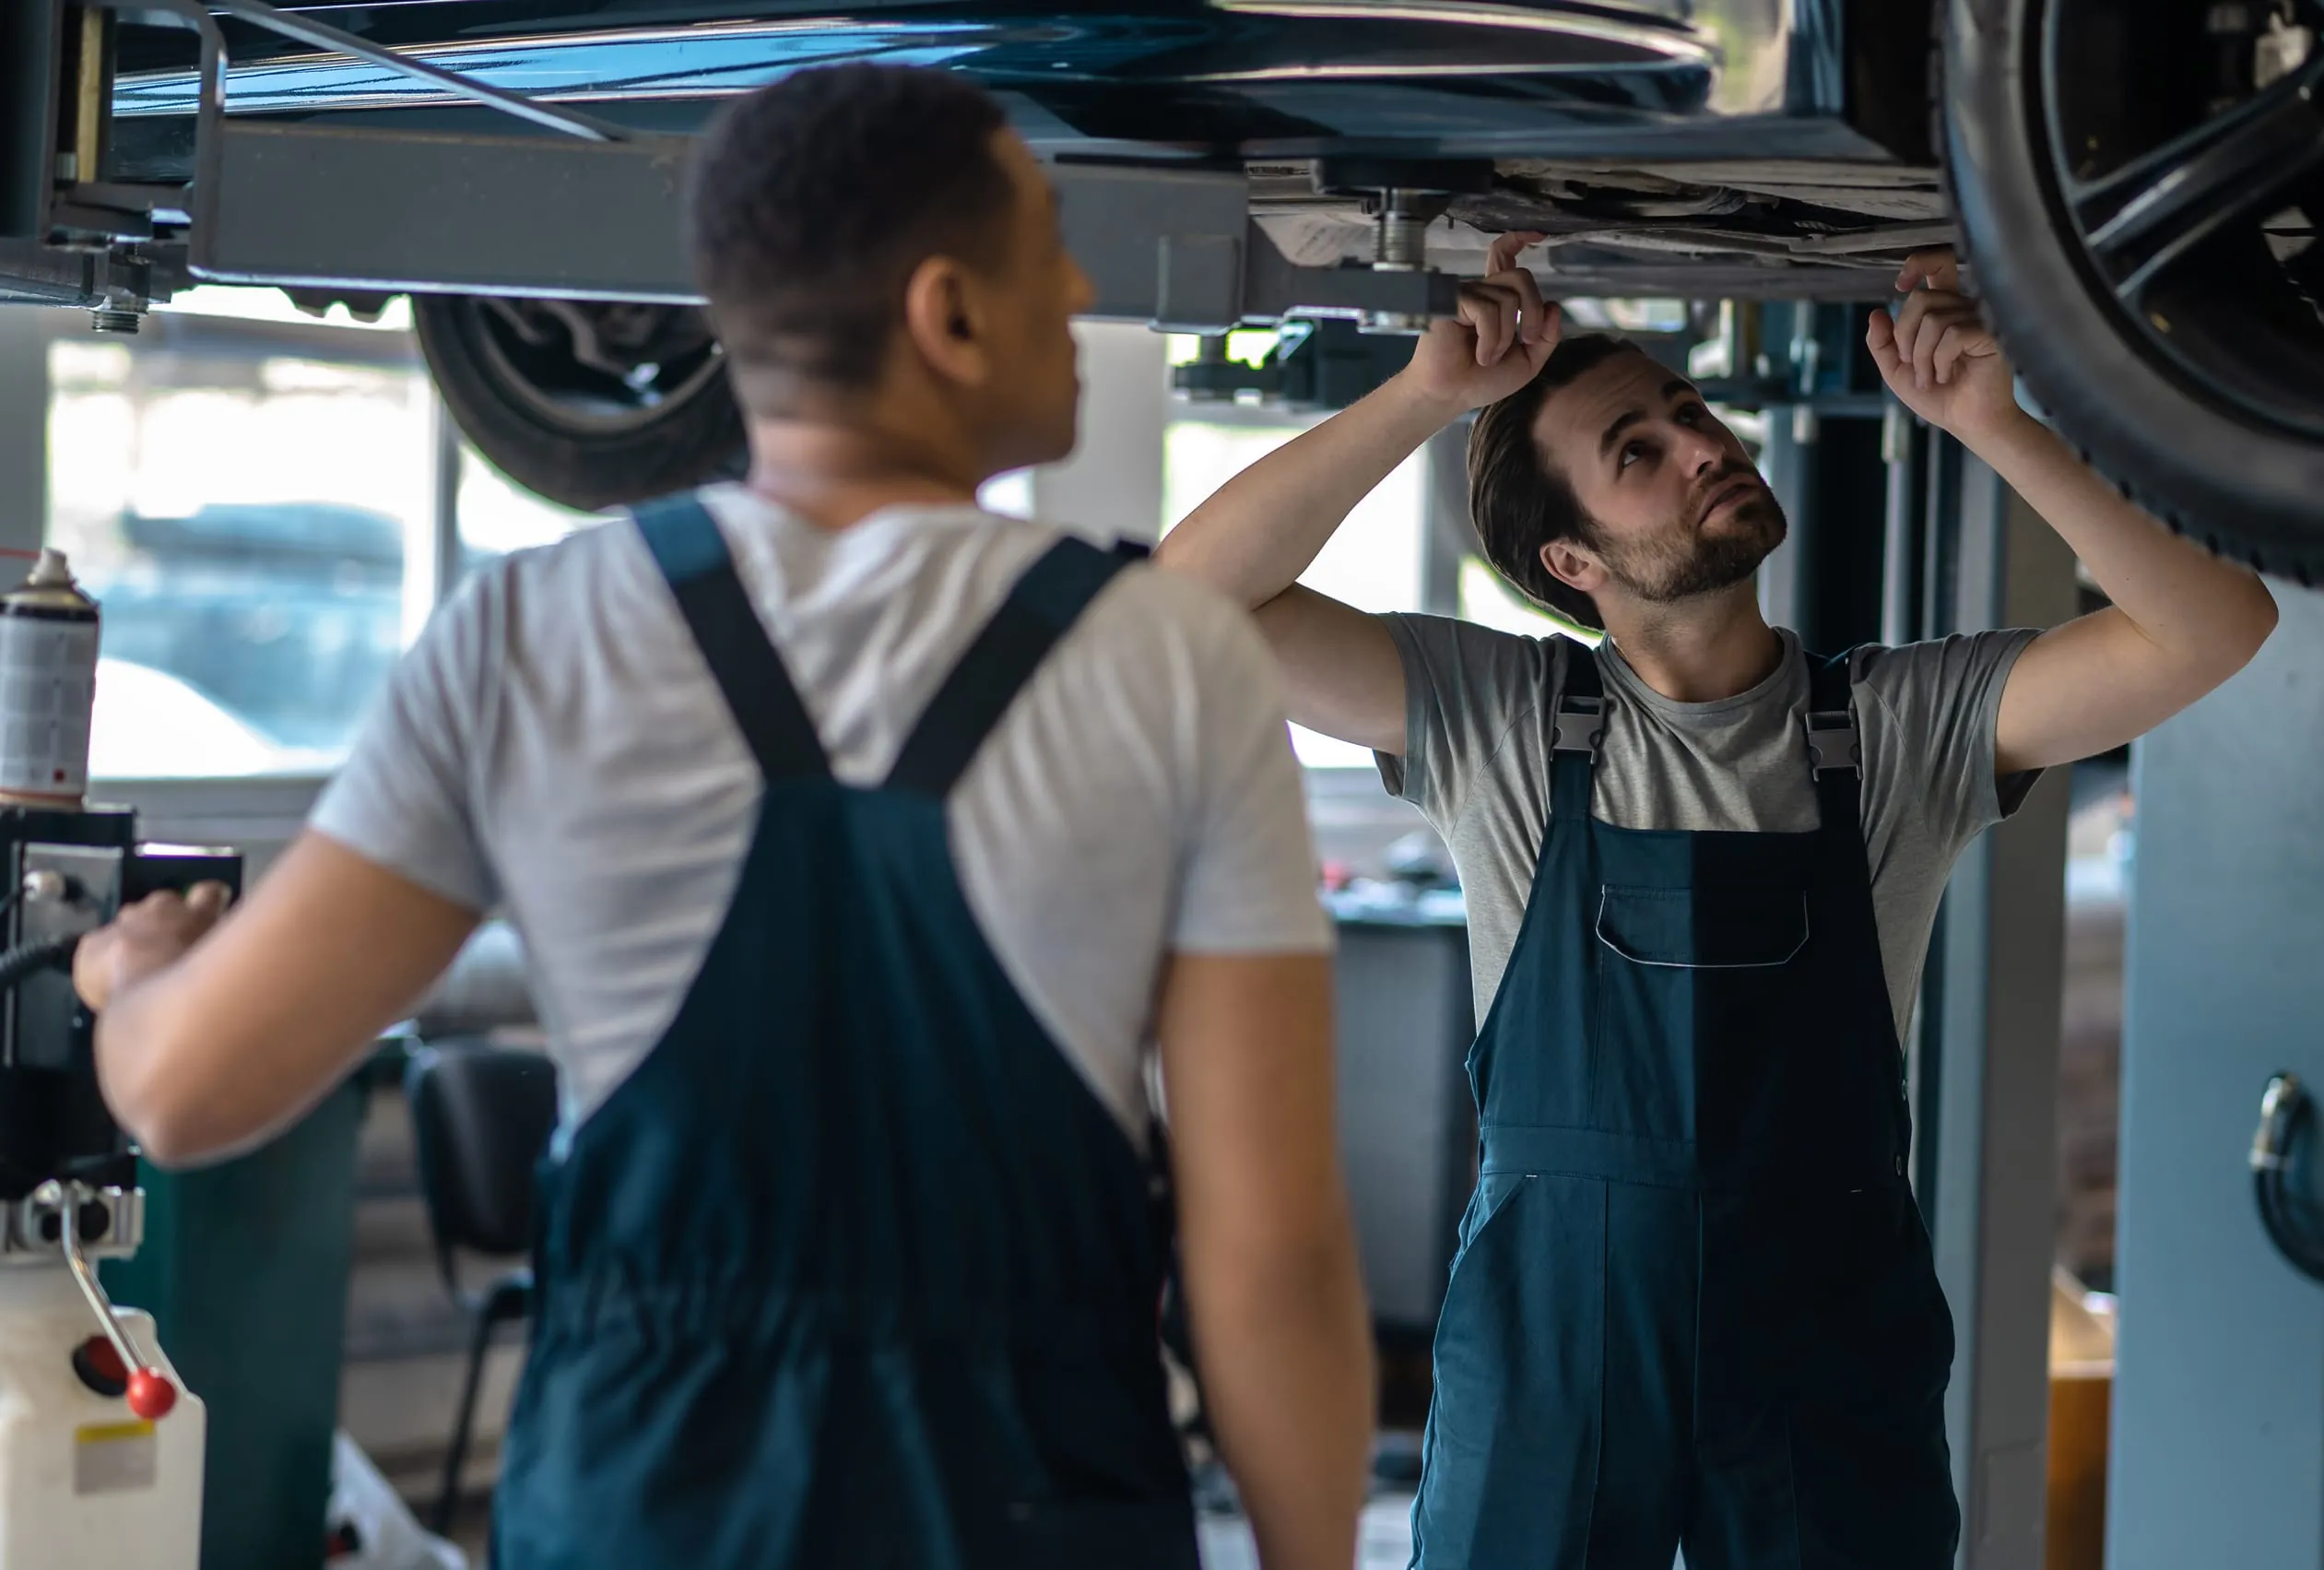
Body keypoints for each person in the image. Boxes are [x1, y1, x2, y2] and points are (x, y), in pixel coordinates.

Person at [72, 65, 1374, 1570]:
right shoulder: (1171, 658)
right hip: (1025, 1504)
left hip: (647, 1503)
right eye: (1049, 251)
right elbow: (1270, 1251)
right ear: (948, 313)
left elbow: (184, 1095)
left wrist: (129, 978)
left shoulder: (529, 636)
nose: (1081, 285)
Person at [1158, 234, 2278, 1569]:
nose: (1702, 444)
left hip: (1821, 1352)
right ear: (1572, 562)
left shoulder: (1897, 728)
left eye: (1688, 412)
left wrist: (2000, 420)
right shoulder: (1505, 721)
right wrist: (1422, 398)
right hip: (1556, 1354)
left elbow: (2218, 625)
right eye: (1638, 450)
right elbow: (1188, 601)